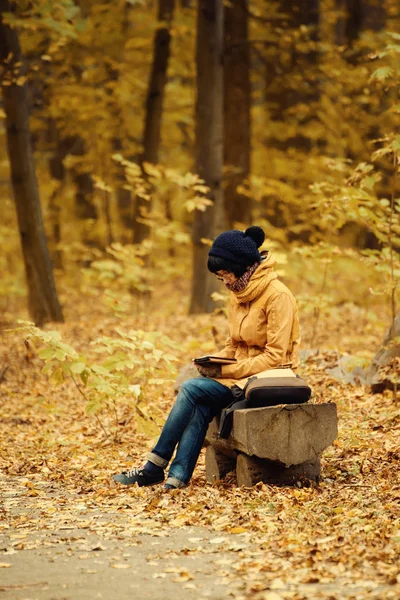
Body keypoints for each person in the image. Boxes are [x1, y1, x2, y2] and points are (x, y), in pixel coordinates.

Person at [113, 226, 300, 489]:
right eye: (218, 276)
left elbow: (276, 357)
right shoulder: (239, 294)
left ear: (242, 266)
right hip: (240, 379)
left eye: (225, 273)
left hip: (268, 381)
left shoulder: (277, 296)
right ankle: (176, 480)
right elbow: (233, 345)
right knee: (199, 403)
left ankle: (153, 467)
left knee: (190, 389)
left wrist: (226, 372)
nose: (223, 281)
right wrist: (214, 362)